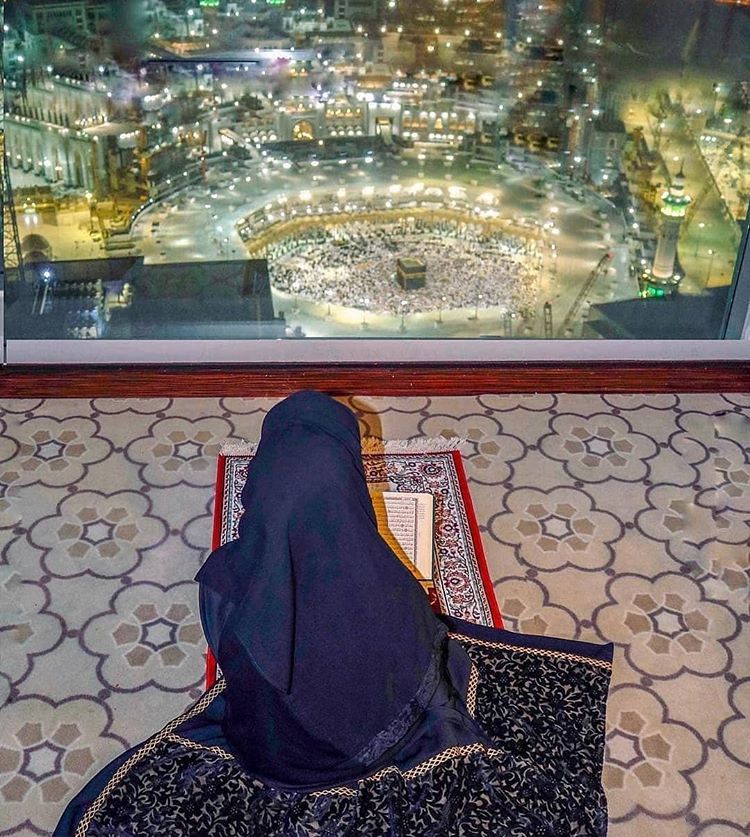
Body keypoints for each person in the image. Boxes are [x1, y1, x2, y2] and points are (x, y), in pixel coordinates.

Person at [55, 391, 613, 836]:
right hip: (380, 742)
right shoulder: (387, 587)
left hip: (271, 752)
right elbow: (422, 654)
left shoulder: (223, 582)